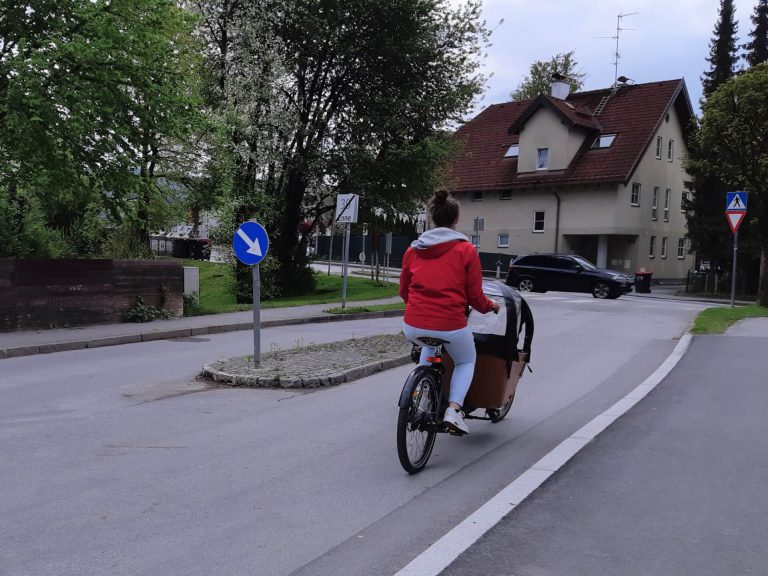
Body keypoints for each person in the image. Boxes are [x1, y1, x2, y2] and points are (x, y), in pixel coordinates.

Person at [399, 190, 500, 434]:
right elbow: (475, 297)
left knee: (428, 345)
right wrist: (491, 306)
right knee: (466, 360)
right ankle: (454, 411)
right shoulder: (465, 251)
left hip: (412, 324)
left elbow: (403, 291)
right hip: (450, 324)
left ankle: (420, 394)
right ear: (456, 219)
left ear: (431, 218)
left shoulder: (413, 250)